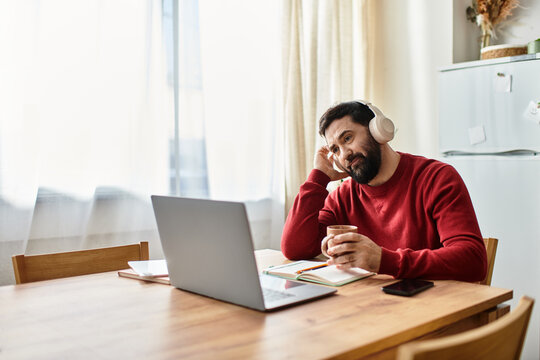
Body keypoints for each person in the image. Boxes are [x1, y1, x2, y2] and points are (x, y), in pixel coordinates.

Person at [281, 100, 487, 282]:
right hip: (373, 308)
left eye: (347, 138)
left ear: (377, 130)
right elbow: (294, 248)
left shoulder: (437, 178)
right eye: (335, 149)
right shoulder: (343, 196)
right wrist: (318, 178)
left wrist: (384, 260)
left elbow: (473, 261)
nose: (344, 154)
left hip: (432, 309)